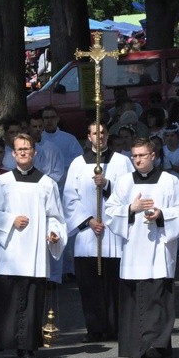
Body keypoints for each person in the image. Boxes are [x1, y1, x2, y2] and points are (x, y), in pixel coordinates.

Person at [0, 133, 67, 358]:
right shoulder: (4, 182)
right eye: (19, 149)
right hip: (12, 250)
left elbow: (56, 216)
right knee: (10, 298)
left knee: (31, 299)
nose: (23, 152)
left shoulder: (47, 184)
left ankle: (29, 345)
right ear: (13, 153)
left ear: (34, 152)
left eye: (27, 149)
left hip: (36, 251)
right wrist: (11, 220)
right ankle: (9, 342)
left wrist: (54, 233)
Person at [104, 138, 179, 358]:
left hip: (159, 248)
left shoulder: (169, 181)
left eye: (142, 155)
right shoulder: (124, 182)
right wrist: (131, 209)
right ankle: (136, 345)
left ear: (153, 156)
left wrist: (162, 214)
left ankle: (156, 345)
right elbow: (110, 212)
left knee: (158, 297)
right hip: (133, 249)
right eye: (134, 156)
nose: (137, 160)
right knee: (136, 298)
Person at [62, 121, 134, 343]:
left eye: (103, 132)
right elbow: (69, 198)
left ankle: (115, 327)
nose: (99, 136)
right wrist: (89, 221)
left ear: (107, 135)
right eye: (95, 133)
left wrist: (108, 185)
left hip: (114, 232)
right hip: (88, 233)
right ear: (88, 136)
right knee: (89, 285)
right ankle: (94, 328)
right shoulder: (77, 164)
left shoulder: (122, 162)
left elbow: (130, 192)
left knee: (114, 284)